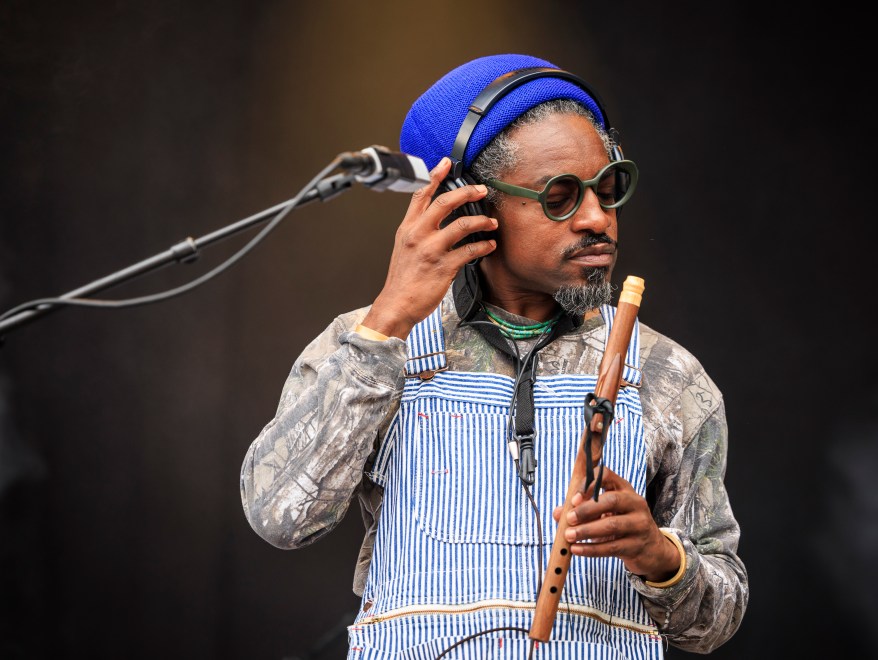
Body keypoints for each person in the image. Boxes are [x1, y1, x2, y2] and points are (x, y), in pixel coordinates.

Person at [240, 54, 747, 658]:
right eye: (560, 197)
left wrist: (661, 559)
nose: (598, 219)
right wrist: (389, 320)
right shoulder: (372, 343)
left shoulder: (667, 373)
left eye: (608, 190)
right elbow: (280, 518)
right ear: (472, 210)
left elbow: (719, 617)